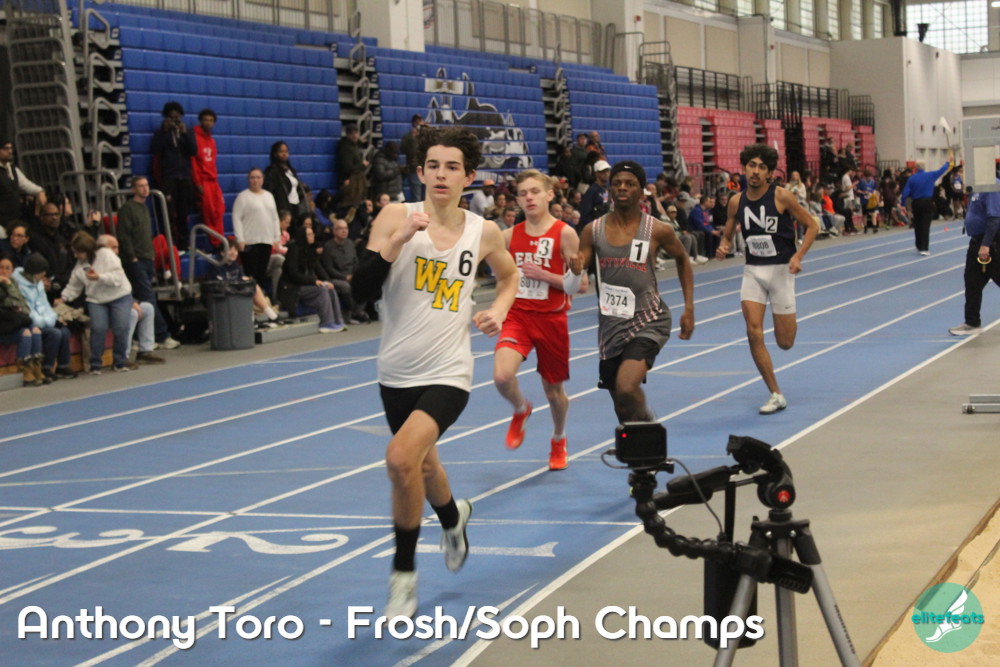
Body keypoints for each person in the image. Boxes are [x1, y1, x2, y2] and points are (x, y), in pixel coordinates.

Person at [351, 126, 518, 619]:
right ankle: (453, 516)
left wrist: (499, 311)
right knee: (423, 466)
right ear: (421, 172)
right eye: (433, 166)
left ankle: (403, 575)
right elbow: (360, 290)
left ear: (469, 176)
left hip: (449, 369)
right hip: (396, 370)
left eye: (452, 167)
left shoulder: (483, 231)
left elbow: (510, 276)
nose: (441, 175)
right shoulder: (395, 216)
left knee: (401, 459)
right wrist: (399, 240)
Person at [577, 160, 695, 423]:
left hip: (648, 319)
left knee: (627, 387)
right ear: (609, 189)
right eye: (617, 183)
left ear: (641, 191)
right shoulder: (592, 230)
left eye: (629, 184)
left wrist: (689, 307)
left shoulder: (657, 229)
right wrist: (574, 267)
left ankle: (650, 429)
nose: (622, 187)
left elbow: (682, 259)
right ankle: (642, 444)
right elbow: (578, 268)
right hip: (611, 325)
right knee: (622, 407)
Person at [716, 144, 819, 414]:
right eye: (752, 165)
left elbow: (812, 225)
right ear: (744, 168)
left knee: (785, 343)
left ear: (770, 173)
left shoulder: (782, 197)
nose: (756, 171)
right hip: (753, 272)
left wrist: (798, 256)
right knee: (753, 332)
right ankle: (775, 393)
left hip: (781, 272)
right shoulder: (736, 201)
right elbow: (727, 234)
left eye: (762, 167)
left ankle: (786, 320)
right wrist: (724, 246)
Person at [492, 170, 582, 471]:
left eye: (534, 191)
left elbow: (577, 285)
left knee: (554, 392)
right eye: (523, 193)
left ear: (549, 194)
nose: (529, 197)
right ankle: (521, 408)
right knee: (502, 376)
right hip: (518, 317)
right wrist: (496, 309)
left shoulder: (565, 233)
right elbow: (501, 277)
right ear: (517, 200)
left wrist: (545, 275)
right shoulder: (508, 236)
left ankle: (559, 438)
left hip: (552, 320)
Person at [117, 175, 179, 350]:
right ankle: (162, 335)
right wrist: (132, 257)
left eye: (146, 185)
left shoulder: (144, 208)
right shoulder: (128, 209)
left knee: (143, 299)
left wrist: (150, 255)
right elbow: (124, 235)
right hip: (135, 260)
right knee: (148, 298)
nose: (145, 189)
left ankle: (141, 337)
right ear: (133, 189)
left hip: (146, 259)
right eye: (140, 186)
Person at [61, 231, 134, 374]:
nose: (76, 256)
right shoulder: (80, 266)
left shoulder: (107, 255)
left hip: (119, 295)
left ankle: (119, 362)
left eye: (78, 252)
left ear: (87, 249)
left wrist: (99, 277)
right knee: (98, 328)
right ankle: (95, 364)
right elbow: (74, 286)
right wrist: (64, 298)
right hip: (96, 300)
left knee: (121, 328)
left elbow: (117, 278)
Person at [948, 179, 1000, 337]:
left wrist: (986, 244)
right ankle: (972, 322)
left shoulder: (991, 186)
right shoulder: (976, 187)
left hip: (991, 243)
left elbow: (994, 218)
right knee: (972, 283)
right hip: (976, 242)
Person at [12, 253, 77, 381]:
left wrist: (55, 318)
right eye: (41, 272)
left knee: (65, 330)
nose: (44, 275)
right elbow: (29, 311)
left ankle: (63, 366)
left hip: (44, 320)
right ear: (33, 272)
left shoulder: (38, 283)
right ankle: (46, 367)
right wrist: (50, 323)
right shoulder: (19, 286)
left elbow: (45, 305)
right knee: (55, 333)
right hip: (31, 322)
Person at [277, 226, 346, 333]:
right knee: (322, 290)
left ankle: (338, 321)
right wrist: (313, 281)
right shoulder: (294, 250)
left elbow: (319, 268)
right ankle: (326, 323)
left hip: (305, 285)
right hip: (292, 288)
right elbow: (293, 274)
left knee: (330, 288)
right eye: (309, 234)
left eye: (312, 234)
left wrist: (328, 281)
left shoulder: (309, 250)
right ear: (303, 236)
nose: (312, 236)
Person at [150, 102, 197, 249]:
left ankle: (184, 243)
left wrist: (184, 134)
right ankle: (170, 244)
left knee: (184, 212)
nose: (174, 120)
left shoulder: (187, 131)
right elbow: (155, 149)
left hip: (185, 176)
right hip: (169, 176)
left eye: (177, 118)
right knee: (168, 213)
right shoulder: (161, 132)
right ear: (166, 117)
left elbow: (194, 151)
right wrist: (164, 132)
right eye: (171, 118)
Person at [232, 168, 282, 292]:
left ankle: (261, 298)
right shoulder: (243, 197)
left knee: (262, 272)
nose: (255, 180)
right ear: (248, 180)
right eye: (252, 177)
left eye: (258, 177)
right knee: (251, 273)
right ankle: (251, 298)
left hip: (266, 240)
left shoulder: (269, 196)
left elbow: (275, 217)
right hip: (250, 241)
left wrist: (277, 237)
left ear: (263, 179)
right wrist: (240, 239)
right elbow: (236, 218)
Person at [0, 253, 45, 385]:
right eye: (1, 267)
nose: (3, 271)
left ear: (12, 271)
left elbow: (21, 305)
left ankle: (36, 368)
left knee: (35, 330)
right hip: (3, 326)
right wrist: (7, 286)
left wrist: (9, 285)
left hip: (14, 322)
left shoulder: (13, 283)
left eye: (7, 268)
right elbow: (13, 303)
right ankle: (25, 371)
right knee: (25, 332)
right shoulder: (8, 284)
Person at [900, 152, 954, 256]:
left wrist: (902, 203)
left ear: (915, 168)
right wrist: (948, 162)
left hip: (916, 202)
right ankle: (924, 247)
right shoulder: (930, 175)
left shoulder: (912, 178)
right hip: (927, 202)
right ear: (924, 167)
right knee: (925, 225)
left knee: (917, 224)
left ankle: (919, 245)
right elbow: (941, 170)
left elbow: (905, 192)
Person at [321, 218, 368, 324]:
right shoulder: (328, 247)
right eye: (341, 229)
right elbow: (329, 268)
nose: (344, 231)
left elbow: (355, 262)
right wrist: (345, 277)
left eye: (346, 228)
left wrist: (356, 274)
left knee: (365, 281)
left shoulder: (350, 243)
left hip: (352, 274)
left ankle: (359, 311)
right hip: (337, 278)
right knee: (346, 287)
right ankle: (354, 312)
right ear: (334, 231)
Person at [191, 108, 225, 241]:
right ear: (200, 121)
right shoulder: (194, 138)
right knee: (209, 213)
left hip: (213, 181)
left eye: (211, 120)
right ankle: (216, 243)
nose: (208, 123)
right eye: (205, 120)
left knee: (220, 210)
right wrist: (198, 182)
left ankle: (221, 240)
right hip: (204, 182)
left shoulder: (211, 140)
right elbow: (193, 162)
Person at [0, 139, 47, 227]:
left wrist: (40, 191)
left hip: (14, 215)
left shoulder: (12, 169)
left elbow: (25, 184)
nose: (10, 151)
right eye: (6, 148)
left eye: (11, 148)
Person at [264, 141, 309, 228]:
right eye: (281, 151)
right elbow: (271, 191)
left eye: (286, 151)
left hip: (296, 205)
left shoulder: (291, 170)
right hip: (285, 207)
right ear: (275, 154)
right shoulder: (272, 171)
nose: (284, 154)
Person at [400, 114, 426, 201]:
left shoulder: (426, 136)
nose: (418, 124)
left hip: (426, 169)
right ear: (413, 123)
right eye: (416, 122)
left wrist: (428, 130)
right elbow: (403, 150)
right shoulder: (407, 137)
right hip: (414, 169)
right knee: (417, 197)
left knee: (427, 196)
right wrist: (412, 138)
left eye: (420, 121)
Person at [578, 160, 611, 228]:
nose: (606, 173)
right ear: (596, 173)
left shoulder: (609, 189)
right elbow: (585, 213)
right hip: (597, 226)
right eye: (603, 172)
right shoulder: (592, 191)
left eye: (607, 171)